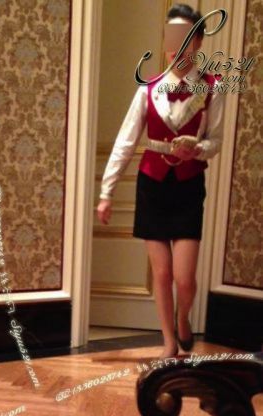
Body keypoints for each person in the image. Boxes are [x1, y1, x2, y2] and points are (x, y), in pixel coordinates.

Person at [98, 4, 225, 358]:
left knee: (185, 279)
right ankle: (169, 342)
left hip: (188, 185)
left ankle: (184, 317)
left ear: (198, 42)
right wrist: (106, 192)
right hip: (152, 185)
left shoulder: (212, 88)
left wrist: (197, 148)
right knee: (162, 274)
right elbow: (125, 143)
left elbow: (215, 141)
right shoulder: (148, 89)